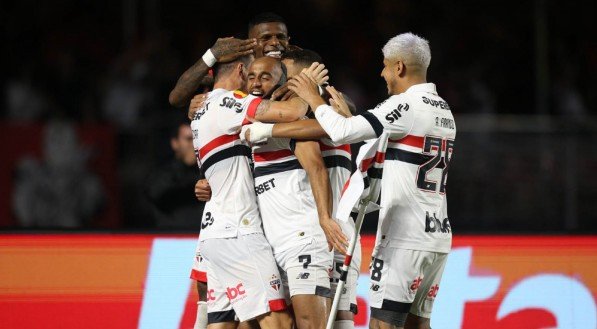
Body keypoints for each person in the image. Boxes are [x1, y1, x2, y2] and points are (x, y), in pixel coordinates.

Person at [245, 33, 456, 329]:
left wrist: (310, 99)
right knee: (418, 324)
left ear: (399, 67)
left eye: (384, 66)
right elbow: (374, 133)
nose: (381, 74)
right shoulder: (443, 109)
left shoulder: (405, 105)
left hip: (404, 235)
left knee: (383, 325)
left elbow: (343, 130)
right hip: (437, 232)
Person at [191, 53, 303, 329]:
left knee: (224, 323)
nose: (254, 81)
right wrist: (306, 86)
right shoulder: (228, 102)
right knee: (279, 322)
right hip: (239, 230)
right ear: (241, 69)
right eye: (251, 73)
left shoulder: (200, 112)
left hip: (216, 231)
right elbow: (293, 112)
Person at [247, 56, 342, 329]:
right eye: (252, 76)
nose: (256, 83)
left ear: (280, 83)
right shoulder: (250, 122)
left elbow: (317, 168)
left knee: (309, 324)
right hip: (271, 245)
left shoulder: (294, 123)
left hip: (303, 238)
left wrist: (324, 218)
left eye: (265, 77)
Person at [282, 49, 362, 329]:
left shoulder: (332, 105)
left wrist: (266, 131)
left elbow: (345, 119)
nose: (282, 82)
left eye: (286, 76)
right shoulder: (304, 111)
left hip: (328, 228)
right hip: (329, 228)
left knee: (332, 320)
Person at [145, 121, 205, 228]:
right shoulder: (162, 171)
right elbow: (155, 193)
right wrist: (186, 167)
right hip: (170, 237)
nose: (193, 145)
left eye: (196, 140)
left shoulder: (207, 170)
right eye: (189, 139)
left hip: (200, 236)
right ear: (175, 143)